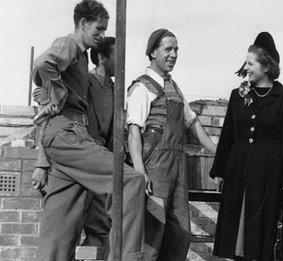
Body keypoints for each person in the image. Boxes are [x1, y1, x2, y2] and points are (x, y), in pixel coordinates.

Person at [32, 1, 146, 260]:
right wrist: (58, 93)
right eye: (99, 28)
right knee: (131, 181)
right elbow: (42, 63)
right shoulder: (69, 44)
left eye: (105, 30)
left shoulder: (79, 56)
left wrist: (52, 91)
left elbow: (39, 76)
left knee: (60, 229)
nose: (102, 35)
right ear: (83, 24)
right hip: (68, 135)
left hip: (64, 140)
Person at [209, 32, 283, 261]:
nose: (246, 68)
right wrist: (219, 171)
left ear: (266, 66)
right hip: (237, 171)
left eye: (251, 63)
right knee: (235, 236)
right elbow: (228, 137)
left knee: (262, 238)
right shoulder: (238, 95)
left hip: (267, 174)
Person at [126, 29, 217, 261]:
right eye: (168, 49)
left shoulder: (174, 88)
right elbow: (134, 131)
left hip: (177, 169)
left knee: (180, 233)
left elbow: (192, 123)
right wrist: (140, 171)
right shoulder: (142, 87)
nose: (174, 54)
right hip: (155, 170)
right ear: (153, 52)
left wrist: (218, 152)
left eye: (176, 49)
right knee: (153, 231)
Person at [32, 36, 117, 258]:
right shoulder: (80, 79)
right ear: (101, 58)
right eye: (118, 55)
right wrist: (42, 164)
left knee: (100, 229)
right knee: (65, 228)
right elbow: (53, 118)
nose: (122, 61)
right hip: (74, 156)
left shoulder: (115, 89)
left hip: (98, 163)